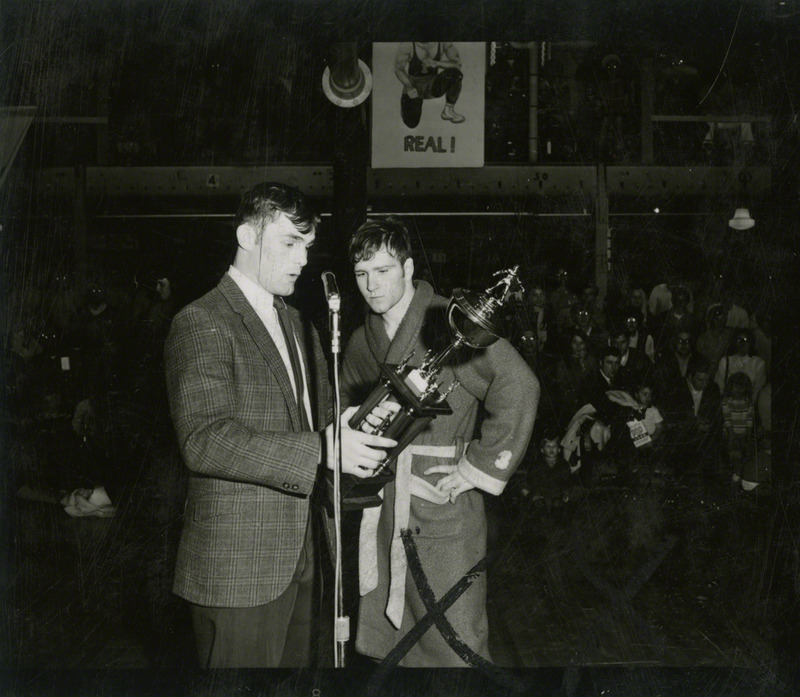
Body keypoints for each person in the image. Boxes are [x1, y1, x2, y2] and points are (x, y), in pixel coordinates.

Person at [163, 182, 395, 669]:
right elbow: (204, 440)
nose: (302, 260)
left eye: (307, 247)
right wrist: (320, 449)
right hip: (239, 569)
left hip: (304, 557)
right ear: (248, 237)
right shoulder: (202, 321)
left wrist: (354, 422)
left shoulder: (297, 324)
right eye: (290, 244)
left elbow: (321, 421)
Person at [340, 216, 538, 666]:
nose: (371, 285)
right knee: (393, 646)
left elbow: (520, 386)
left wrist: (477, 466)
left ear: (408, 269)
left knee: (454, 642)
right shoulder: (360, 339)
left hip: (442, 503)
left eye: (383, 270)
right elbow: (348, 405)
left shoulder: (452, 324)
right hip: (385, 503)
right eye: (361, 273)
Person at [394, 42, 466, 128]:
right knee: (411, 123)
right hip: (414, 87)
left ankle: (448, 110)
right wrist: (409, 87)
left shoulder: (443, 43)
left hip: (432, 85)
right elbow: (398, 69)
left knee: (456, 73)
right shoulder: (407, 45)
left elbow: (457, 64)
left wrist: (436, 63)